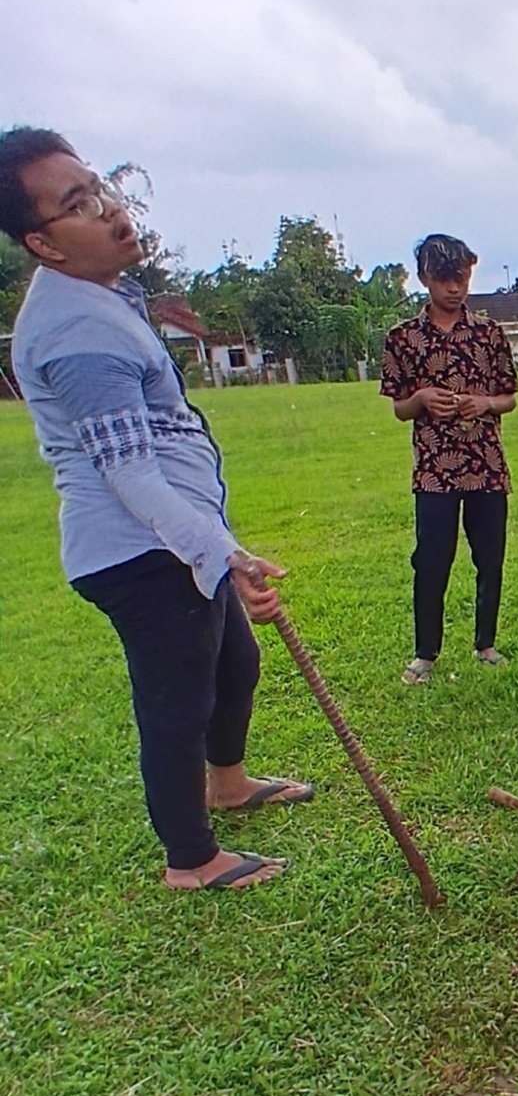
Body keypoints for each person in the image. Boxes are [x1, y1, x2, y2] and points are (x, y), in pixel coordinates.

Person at [1, 126, 311, 891]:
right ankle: (191, 859)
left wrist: (212, 543)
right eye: (80, 205)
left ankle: (229, 785)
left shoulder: (98, 294)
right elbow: (130, 476)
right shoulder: (76, 331)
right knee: (177, 697)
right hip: (138, 552)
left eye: (100, 187)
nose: (110, 209)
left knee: (234, 662)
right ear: (44, 243)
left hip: (173, 539)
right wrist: (222, 552)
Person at [379, 234, 518, 684]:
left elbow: (510, 398)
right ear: (424, 278)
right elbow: (400, 408)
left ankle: (486, 644)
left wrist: (485, 404)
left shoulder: (489, 333)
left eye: (461, 277)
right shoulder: (403, 339)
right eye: (444, 278)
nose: (454, 287)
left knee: (490, 557)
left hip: (486, 465)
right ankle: (425, 654)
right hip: (434, 470)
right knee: (432, 560)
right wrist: (421, 398)